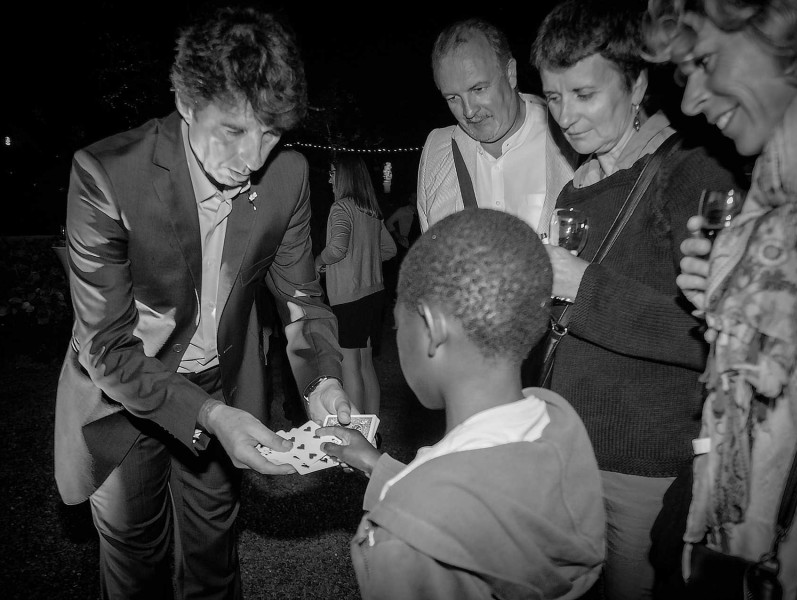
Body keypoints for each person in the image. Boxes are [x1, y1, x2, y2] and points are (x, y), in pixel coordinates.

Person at [53, 7, 354, 599]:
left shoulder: (288, 176)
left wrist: (322, 379)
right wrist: (211, 417)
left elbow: (300, 299)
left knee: (214, 562)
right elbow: (106, 346)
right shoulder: (106, 173)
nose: (254, 157)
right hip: (123, 398)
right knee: (135, 565)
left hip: (223, 383)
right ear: (186, 103)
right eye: (234, 131)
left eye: (271, 133)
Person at [530, 1, 744, 597]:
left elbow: (716, 339)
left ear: (638, 85)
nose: (566, 117)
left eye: (584, 94)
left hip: (643, 468)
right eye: (553, 97)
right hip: (569, 453)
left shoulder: (690, 173)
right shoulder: (577, 188)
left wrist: (583, 286)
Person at [318, 208, 606, 600]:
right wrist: (377, 466)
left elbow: (438, 513)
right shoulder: (556, 420)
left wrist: (392, 518)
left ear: (433, 328)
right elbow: (483, 497)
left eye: (399, 324)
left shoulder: (405, 543)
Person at [644, 0, 797, 596]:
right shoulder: (774, 194)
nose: (690, 102)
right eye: (685, 74)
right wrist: (722, 299)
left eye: (706, 62)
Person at [416, 17, 578, 237]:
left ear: (510, 73)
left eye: (478, 89)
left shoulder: (570, 137)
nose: (468, 111)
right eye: (453, 98)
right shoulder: (437, 151)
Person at [315, 155, 397, 415]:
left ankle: (357, 430)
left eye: (333, 173)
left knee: (350, 366)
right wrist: (365, 258)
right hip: (374, 295)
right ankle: (372, 429)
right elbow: (390, 249)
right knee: (365, 364)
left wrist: (318, 261)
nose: (329, 179)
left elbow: (337, 248)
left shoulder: (341, 207)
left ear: (345, 176)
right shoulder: (370, 211)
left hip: (349, 299)